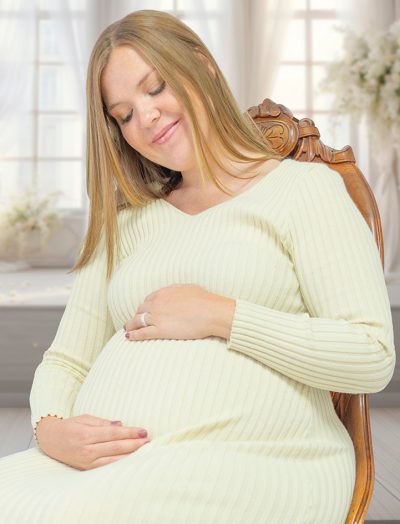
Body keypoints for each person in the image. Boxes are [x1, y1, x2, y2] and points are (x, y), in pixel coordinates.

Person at [0, 9, 395, 524]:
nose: (145, 117)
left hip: (261, 461)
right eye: (122, 114)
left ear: (204, 66)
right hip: (107, 471)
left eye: (156, 87)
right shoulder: (127, 221)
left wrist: (221, 315)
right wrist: (51, 430)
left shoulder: (304, 191)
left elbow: (370, 354)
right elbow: (66, 361)